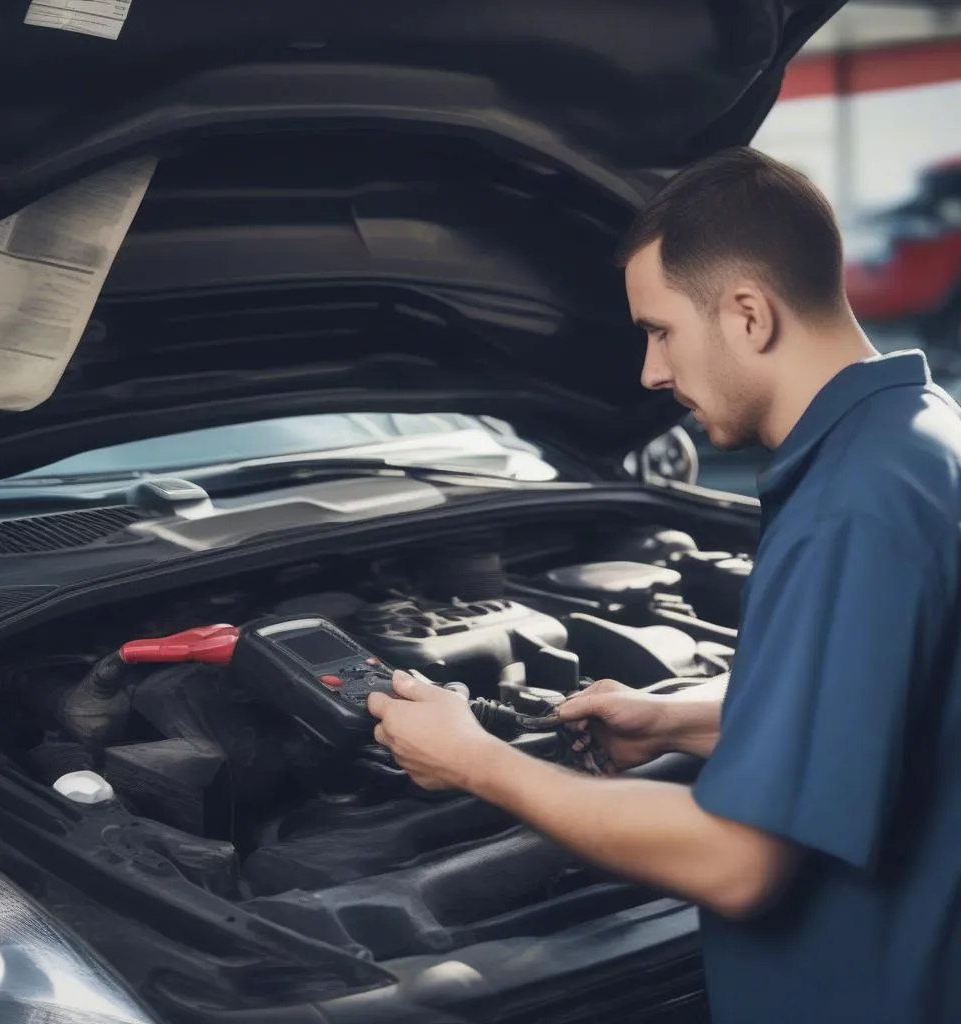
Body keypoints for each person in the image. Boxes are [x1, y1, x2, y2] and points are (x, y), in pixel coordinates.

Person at [368, 146, 961, 1024]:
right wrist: (681, 718)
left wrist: (475, 761)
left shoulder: (850, 510)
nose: (649, 372)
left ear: (749, 314)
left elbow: (737, 864)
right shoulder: (920, 438)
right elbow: (901, 710)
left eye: (659, 331)